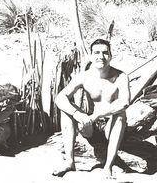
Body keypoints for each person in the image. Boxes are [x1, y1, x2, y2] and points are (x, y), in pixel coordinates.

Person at [53, 39, 130, 177]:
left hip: (110, 126)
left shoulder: (120, 76)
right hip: (90, 126)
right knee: (66, 111)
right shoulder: (85, 76)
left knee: (120, 115)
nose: (101, 56)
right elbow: (60, 97)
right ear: (91, 56)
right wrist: (78, 114)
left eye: (105, 53)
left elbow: (124, 102)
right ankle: (70, 162)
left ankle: (108, 166)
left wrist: (98, 115)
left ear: (110, 56)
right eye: (97, 53)